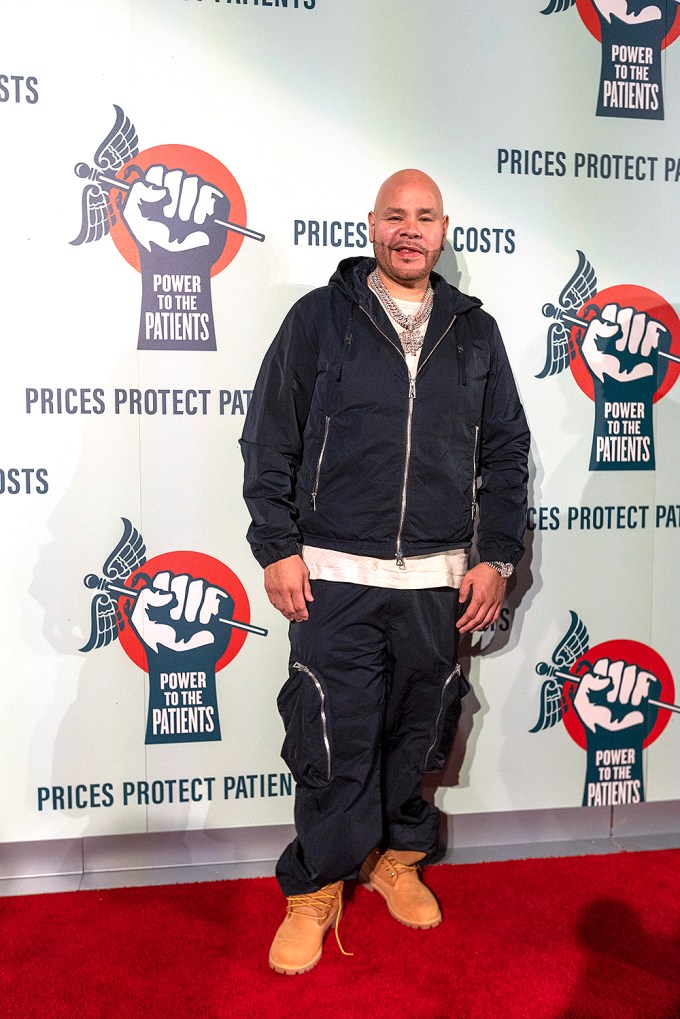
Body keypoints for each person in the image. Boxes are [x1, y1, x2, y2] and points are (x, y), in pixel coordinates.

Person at [240, 169, 530, 975]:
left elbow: (507, 453)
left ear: (444, 230)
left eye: (424, 217)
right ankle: (317, 884)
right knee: (330, 736)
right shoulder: (319, 318)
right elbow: (270, 435)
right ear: (372, 224)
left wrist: (496, 556)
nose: (410, 229)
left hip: (437, 581)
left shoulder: (475, 332)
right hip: (333, 574)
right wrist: (277, 545)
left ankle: (397, 857)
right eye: (396, 215)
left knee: (418, 730)